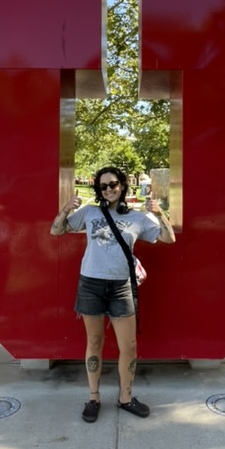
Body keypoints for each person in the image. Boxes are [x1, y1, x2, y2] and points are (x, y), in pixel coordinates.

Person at [50, 166, 176, 423]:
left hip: (121, 287)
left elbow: (169, 238)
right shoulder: (89, 212)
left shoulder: (138, 218)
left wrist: (159, 212)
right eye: (103, 186)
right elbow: (56, 230)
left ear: (122, 185)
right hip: (91, 285)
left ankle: (126, 397)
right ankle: (94, 397)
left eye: (113, 184)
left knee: (128, 346)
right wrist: (66, 208)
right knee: (94, 342)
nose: (109, 189)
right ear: (98, 189)